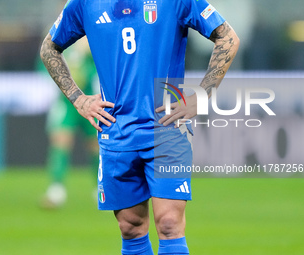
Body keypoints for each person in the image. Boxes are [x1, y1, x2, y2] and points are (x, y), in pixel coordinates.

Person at [40, 0, 239, 254]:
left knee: (169, 224)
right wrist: (78, 99)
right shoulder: (84, 3)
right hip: (116, 131)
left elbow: (228, 38)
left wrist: (201, 96)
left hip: (167, 127)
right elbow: (49, 48)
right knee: (131, 227)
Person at [38, 37, 99, 209]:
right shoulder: (56, 38)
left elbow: (101, 67)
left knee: (96, 144)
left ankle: (99, 188)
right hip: (66, 101)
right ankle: (56, 189)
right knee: (60, 141)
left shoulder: (91, 39)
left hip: (91, 98)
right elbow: (44, 63)